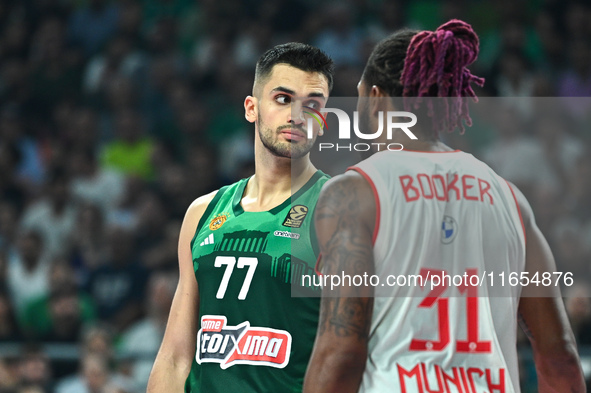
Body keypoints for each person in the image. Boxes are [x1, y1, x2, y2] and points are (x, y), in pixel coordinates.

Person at [303, 20, 585, 393]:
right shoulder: (511, 199)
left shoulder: (354, 193)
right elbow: (560, 357)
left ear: (374, 97)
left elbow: (341, 351)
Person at [147, 42, 333, 392]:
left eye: (313, 105)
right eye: (282, 99)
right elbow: (175, 356)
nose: (297, 116)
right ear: (252, 108)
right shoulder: (202, 212)